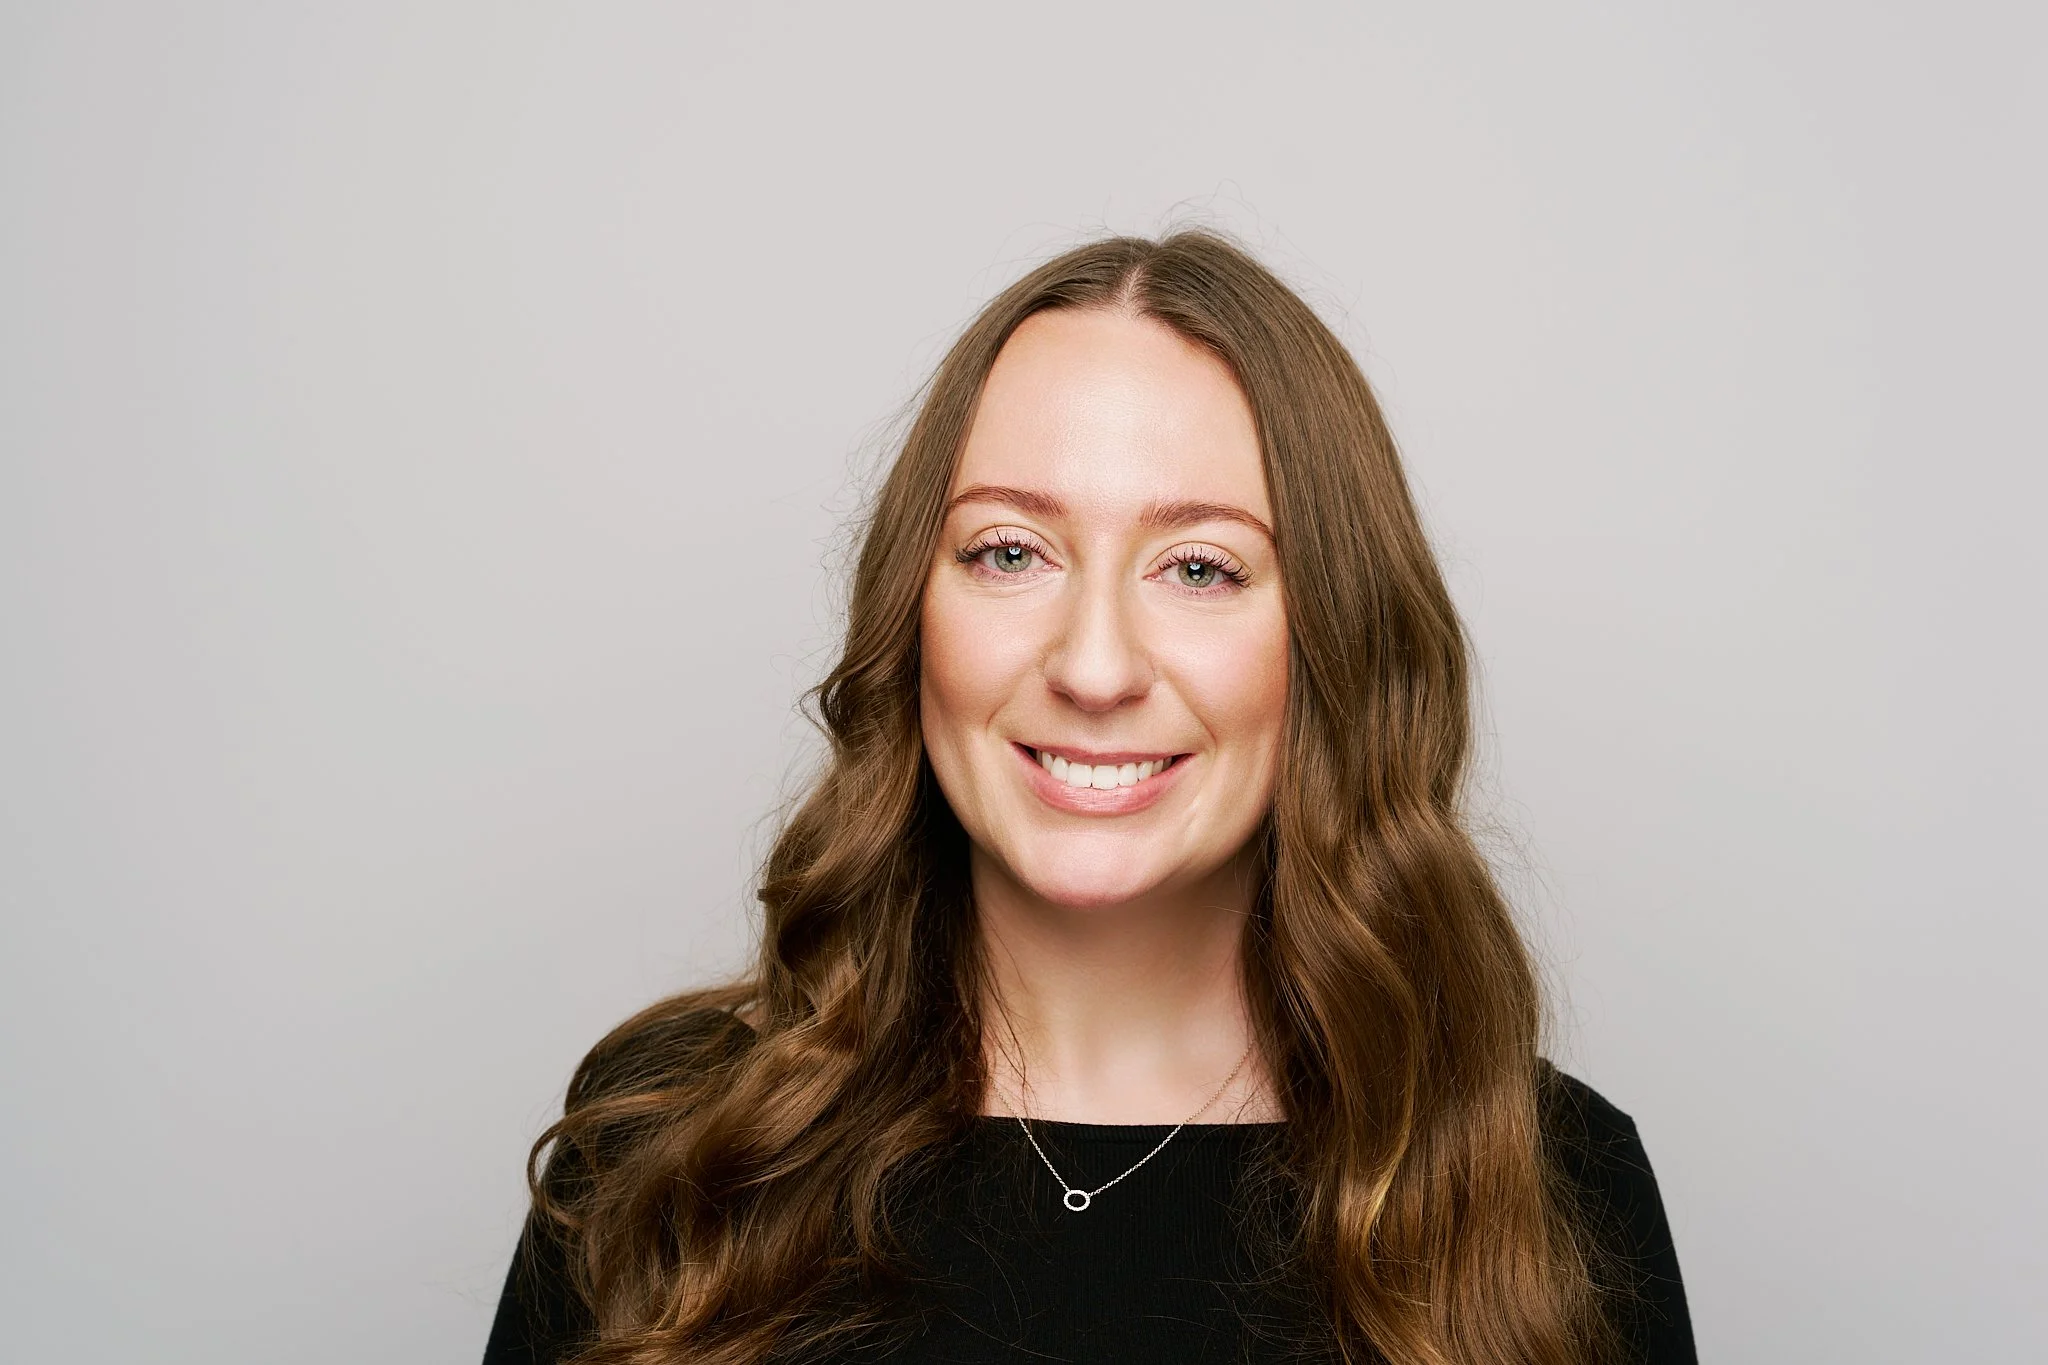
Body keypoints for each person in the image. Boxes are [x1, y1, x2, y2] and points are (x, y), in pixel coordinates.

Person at [482, 232, 1695, 1365]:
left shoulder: (1547, 1189)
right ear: (911, 615)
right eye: (1009, 551)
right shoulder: (666, 1158)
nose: (1093, 668)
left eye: (1199, 568)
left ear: (1328, 640)